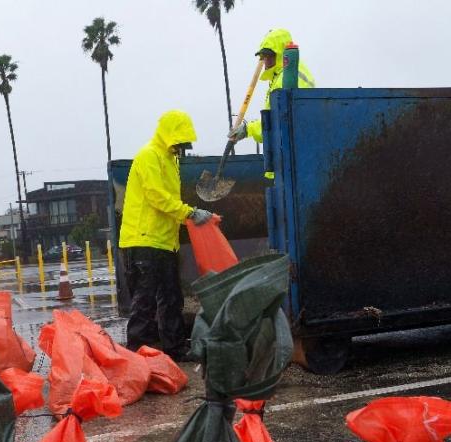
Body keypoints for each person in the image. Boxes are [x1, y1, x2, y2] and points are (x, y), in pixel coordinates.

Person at [119, 110, 213, 361]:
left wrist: (187, 216)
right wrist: (190, 213)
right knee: (145, 302)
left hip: (163, 242)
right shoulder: (149, 156)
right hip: (142, 241)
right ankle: (139, 356)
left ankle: (175, 349)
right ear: (169, 136)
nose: (181, 148)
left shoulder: (171, 160)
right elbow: (157, 196)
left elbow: (168, 200)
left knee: (172, 298)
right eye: (179, 142)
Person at [229, 28, 316, 170]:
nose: (266, 61)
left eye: (269, 55)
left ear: (281, 54)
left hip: (295, 156)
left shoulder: (287, 77)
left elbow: (277, 121)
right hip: (291, 154)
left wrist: (248, 129)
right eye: (264, 56)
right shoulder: (280, 76)